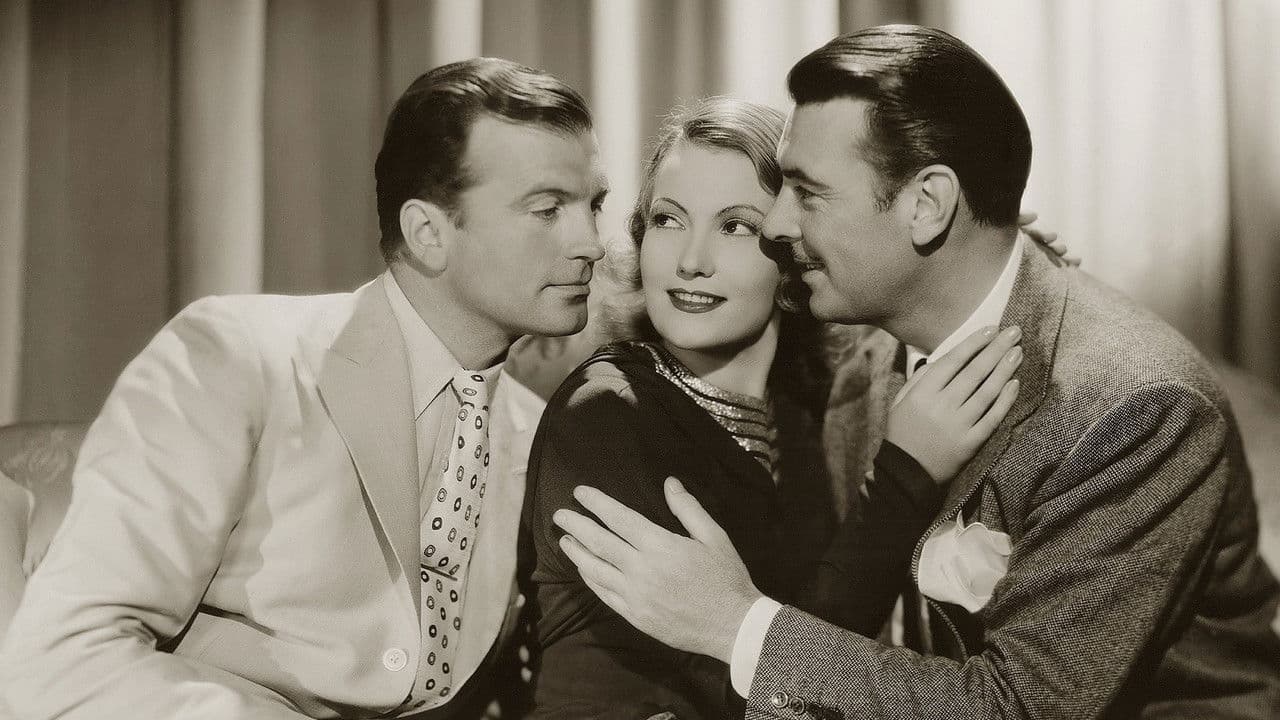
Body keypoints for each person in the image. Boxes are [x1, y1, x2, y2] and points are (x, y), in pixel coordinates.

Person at [552, 25, 1280, 719]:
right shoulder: (862, 344)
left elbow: (1023, 708)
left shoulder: (1134, 404)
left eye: (808, 193)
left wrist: (739, 627)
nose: (776, 226)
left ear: (928, 206)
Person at [0, 57, 608, 719]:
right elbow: (65, 659)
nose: (592, 244)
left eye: (594, 206)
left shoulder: (541, 437)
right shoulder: (232, 357)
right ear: (428, 234)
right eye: (547, 209)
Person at [525, 97, 1031, 720]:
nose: (691, 261)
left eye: (735, 226)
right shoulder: (606, 414)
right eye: (668, 219)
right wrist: (905, 476)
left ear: (795, 248)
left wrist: (985, 256)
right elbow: (762, 679)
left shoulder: (810, 407)